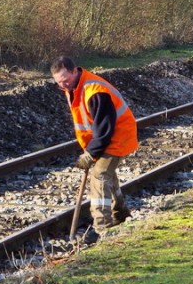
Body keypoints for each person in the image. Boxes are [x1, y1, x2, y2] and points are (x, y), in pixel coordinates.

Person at [50, 56, 138, 241]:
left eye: (65, 80)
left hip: (118, 136)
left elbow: (104, 130)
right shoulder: (73, 87)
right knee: (108, 174)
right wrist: (90, 148)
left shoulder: (95, 91)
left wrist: (91, 154)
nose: (64, 85)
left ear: (75, 71)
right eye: (59, 83)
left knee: (100, 175)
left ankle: (102, 225)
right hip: (104, 137)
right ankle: (120, 212)